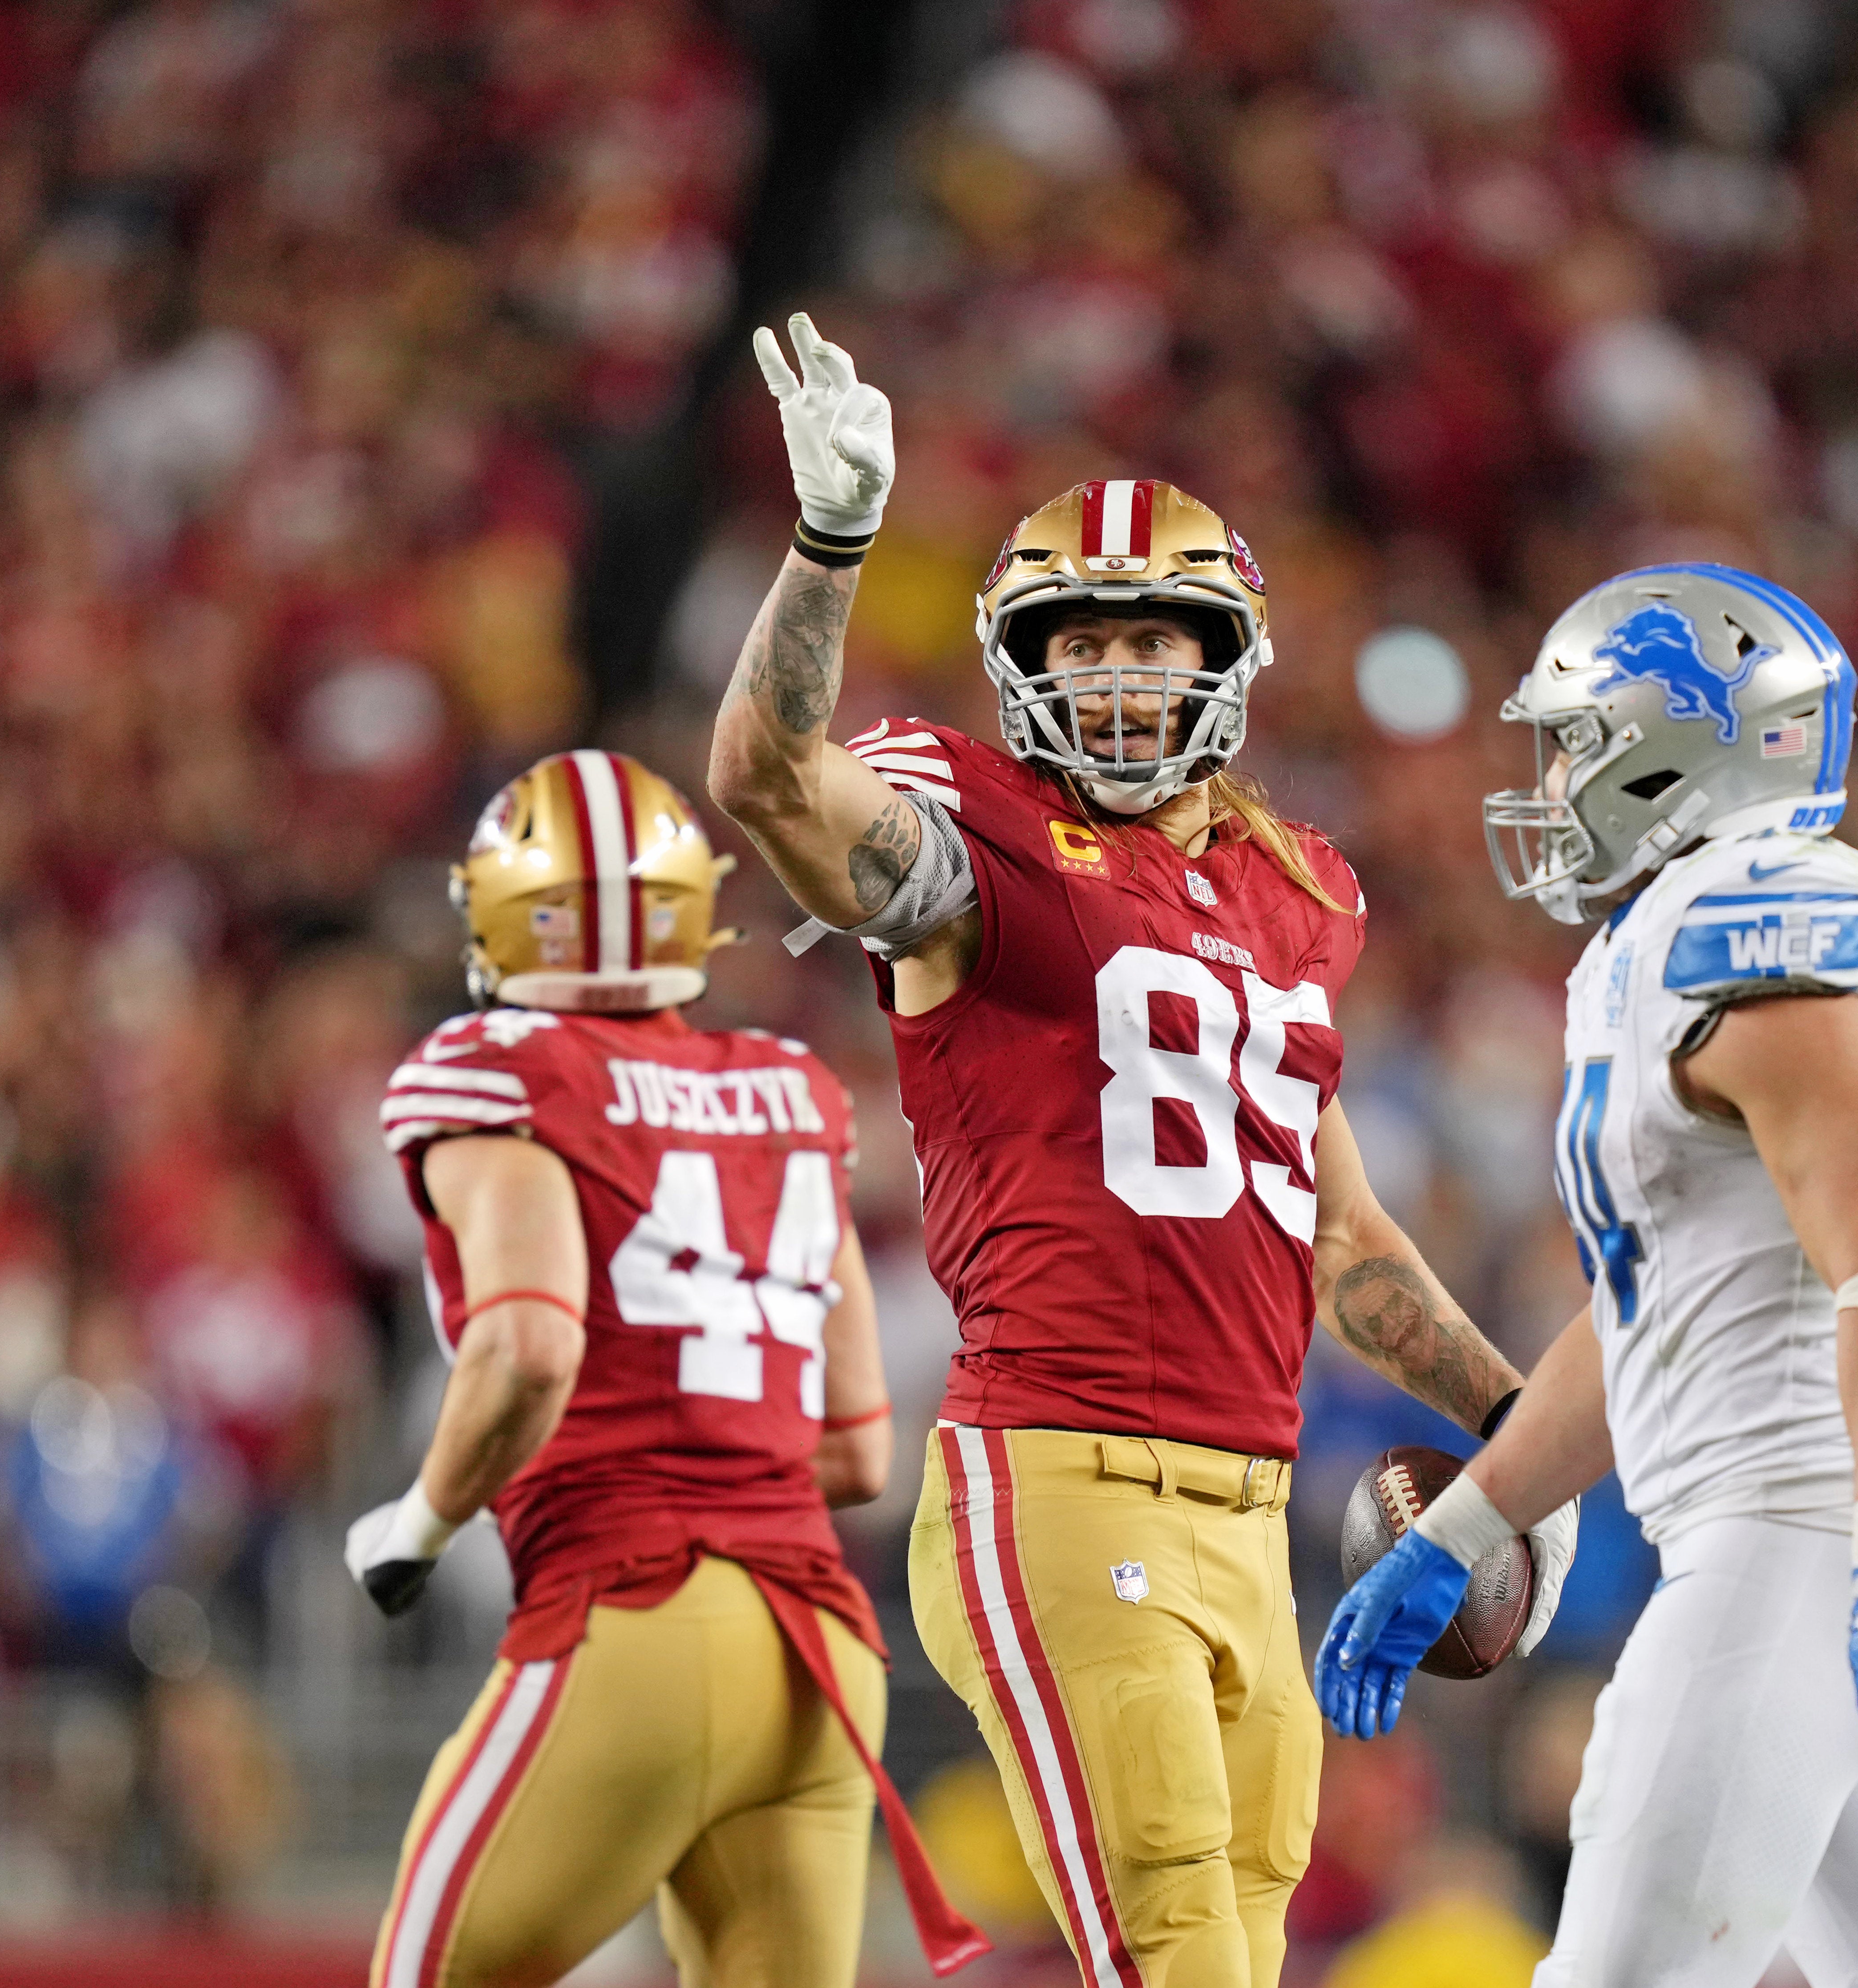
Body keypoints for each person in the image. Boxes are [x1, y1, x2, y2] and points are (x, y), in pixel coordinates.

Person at [705, 313, 1576, 1988]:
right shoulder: (978, 840)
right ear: (1020, 663)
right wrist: (829, 545)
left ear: (1222, 661)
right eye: (1080, 643)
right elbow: (766, 776)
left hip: (1254, 1505)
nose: (1113, 679)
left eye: (1150, 642)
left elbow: (1346, 1242)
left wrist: (1521, 1428)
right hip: (1056, 1472)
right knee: (1172, 1946)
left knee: (1240, 1945)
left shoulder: (1295, 891)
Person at [1316, 563, 1858, 1987]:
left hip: (1798, 1547)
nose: (1552, 781)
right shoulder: (1660, 939)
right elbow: (1650, 1313)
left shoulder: (1754, 924)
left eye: (1576, 742)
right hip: (1803, 1544)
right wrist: (1463, 1526)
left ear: (1675, 749)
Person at [344, 749, 984, 1988]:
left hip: (635, 1616)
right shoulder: (789, 1092)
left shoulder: (495, 1068)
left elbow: (529, 1344)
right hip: (814, 1651)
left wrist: (418, 1525)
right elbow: (859, 1450)